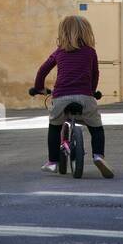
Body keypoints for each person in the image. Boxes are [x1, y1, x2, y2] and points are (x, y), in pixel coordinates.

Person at [32, 15, 114, 179]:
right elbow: (95, 75)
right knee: (96, 128)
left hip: (61, 97)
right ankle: (98, 156)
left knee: (54, 126)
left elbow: (42, 70)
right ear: (86, 33)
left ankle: (53, 161)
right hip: (85, 97)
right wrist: (91, 91)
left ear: (62, 33)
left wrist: (39, 88)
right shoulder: (91, 52)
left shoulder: (59, 52)